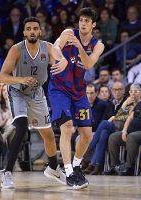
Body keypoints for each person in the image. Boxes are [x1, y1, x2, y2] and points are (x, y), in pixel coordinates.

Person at [0, 16, 68, 189]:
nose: (32, 31)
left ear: (40, 31)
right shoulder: (16, 50)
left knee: (49, 135)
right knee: (21, 127)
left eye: (35, 28)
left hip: (37, 94)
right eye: (28, 28)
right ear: (24, 32)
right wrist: (21, 79)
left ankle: (53, 168)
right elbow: (2, 77)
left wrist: (64, 62)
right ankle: (7, 173)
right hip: (17, 92)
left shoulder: (48, 47)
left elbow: (60, 59)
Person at [49, 8, 104, 189]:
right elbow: (54, 47)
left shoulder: (98, 45)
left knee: (87, 135)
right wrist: (60, 58)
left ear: (93, 24)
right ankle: (68, 171)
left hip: (79, 91)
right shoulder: (68, 33)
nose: (83, 23)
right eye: (81, 20)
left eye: (87, 21)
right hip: (59, 88)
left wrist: (80, 47)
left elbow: (88, 64)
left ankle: (77, 165)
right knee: (67, 127)